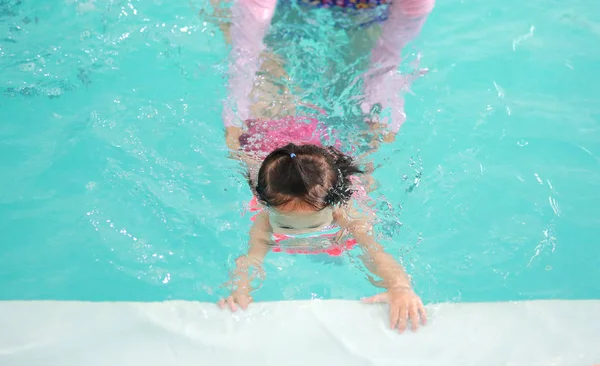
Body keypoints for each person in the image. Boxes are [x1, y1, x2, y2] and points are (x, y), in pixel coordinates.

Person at [218, 139, 427, 332]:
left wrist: (399, 286)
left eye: (313, 223)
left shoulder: (346, 215)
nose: (301, 233)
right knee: (238, 151)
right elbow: (252, 258)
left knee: (368, 161)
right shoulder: (264, 220)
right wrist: (240, 289)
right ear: (266, 205)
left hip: (335, 175)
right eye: (287, 225)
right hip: (289, 174)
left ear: (332, 206)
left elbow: (376, 253)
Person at [211, 0, 436, 151]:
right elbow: (247, 49)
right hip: (283, 6)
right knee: (266, 79)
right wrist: (237, 113)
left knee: (360, 116)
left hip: (365, 12)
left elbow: (388, 52)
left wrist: (378, 110)